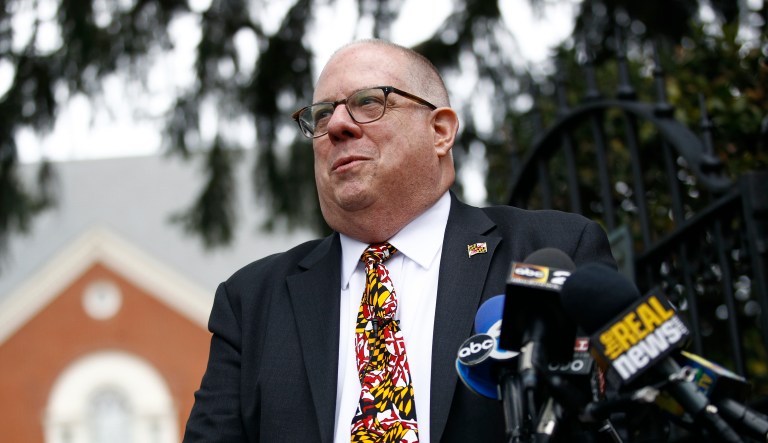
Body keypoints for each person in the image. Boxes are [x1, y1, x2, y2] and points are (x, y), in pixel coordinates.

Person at [183, 39, 616, 443]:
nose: (335, 126)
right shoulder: (251, 300)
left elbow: (622, 418)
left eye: (368, 102)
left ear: (440, 132)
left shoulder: (552, 250)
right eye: (320, 115)